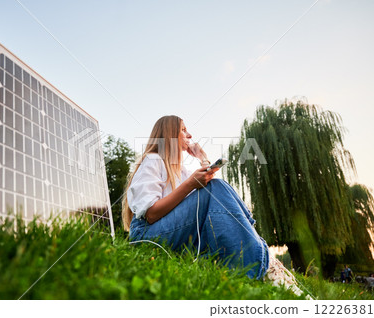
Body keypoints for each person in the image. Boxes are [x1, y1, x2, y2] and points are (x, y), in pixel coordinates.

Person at [122, 115, 306, 296]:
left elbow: (209, 204)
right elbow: (151, 214)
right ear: (169, 134)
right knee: (216, 188)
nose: (190, 135)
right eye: (183, 130)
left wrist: (202, 158)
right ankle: (262, 269)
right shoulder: (153, 159)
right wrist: (190, 184)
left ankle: (263, 264)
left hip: (171, 231)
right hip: (147, 234)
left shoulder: (182, 171)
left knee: (216, 191)